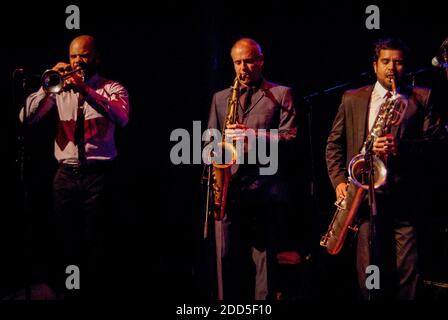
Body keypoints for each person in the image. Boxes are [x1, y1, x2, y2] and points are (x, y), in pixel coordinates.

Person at [326, 37, 442, 300]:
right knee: (369, 274)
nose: (392, 68)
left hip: (405, 200)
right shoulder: (352, 98)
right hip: (365, 199)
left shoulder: (422, 98)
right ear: (375, 65)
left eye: (399, 62)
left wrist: (399, 146)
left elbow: (437, 146)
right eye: (386, 61)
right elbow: (333, 145)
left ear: (406, 66)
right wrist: (339, 182)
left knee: (407, 273)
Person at [21, 35, 130, 298]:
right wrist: (46, 88)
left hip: (98, 177)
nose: (77, 61)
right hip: (65, 176)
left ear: (96, 58)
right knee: (66, 243)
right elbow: (27, 117)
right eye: (72, 56)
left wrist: (85, 90)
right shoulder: (58, 90)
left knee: (97, 243)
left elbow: (121, 117)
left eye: (83, 55)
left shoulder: (112, 88)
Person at [206, 38, 298, 300]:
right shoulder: (220, 98)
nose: (243, 68)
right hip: (230, 188)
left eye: (248, 61)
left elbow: (291, 138)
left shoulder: (280, 94)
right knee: (224, 258)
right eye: (237, 62)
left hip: (265, 189)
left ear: (260, 61)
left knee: (265, 263)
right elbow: (209, 140)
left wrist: (255, 136)